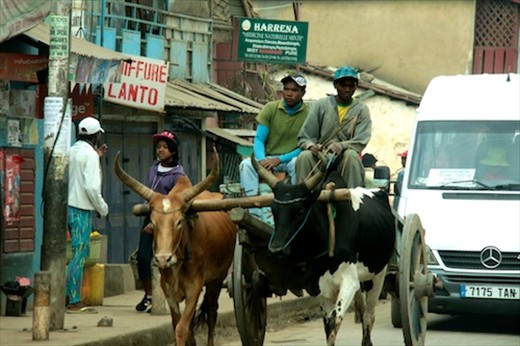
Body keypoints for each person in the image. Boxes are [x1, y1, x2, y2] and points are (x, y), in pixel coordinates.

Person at [239, 73, 310, 219]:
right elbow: (259, 139)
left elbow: (304, 145)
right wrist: (262, 159)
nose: (289, 93)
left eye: (295, 90)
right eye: (286, 89)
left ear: (303, 93)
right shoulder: (270, 108)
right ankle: (254, 213)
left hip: (291, 158)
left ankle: (295, 209)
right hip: (268, 158)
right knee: (246, 165)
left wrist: (280, 159)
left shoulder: (309, 113)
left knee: (299, 162)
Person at [135, 130, 186, 313]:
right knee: (142, 258)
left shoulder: (178, 175)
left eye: (165, 147)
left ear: (173, 151)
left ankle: (168, 293)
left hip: (169, 223)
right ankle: (148, 295)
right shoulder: (153, 169)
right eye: (159, 147)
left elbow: (176, 198)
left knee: (168, 258)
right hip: (152, 219)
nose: (161, 150)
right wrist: (151, 220)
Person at [296, 66, 371, 187]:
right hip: (321, 155)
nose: (347, 89)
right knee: (304, 156)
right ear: (335, 85)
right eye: (343, 85)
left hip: (345, 157)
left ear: (356, 87)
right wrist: (312, 146)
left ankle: (353, 198)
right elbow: (305, 137)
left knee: (351, 156)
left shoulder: (361, 109)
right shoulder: (320, 105)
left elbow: (361, 139)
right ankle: (303, 199)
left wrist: (342, 145)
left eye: (351, 86)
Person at [66, 117, 109, 313]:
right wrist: (103, 208)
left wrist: (96, 155)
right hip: (81, 209)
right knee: (79, 254)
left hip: (66, 207)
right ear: (96, 136)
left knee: (70, 254)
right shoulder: (90, 155)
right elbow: (92, 188)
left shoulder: (72, 150)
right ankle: (74, 299)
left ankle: (66, 295)